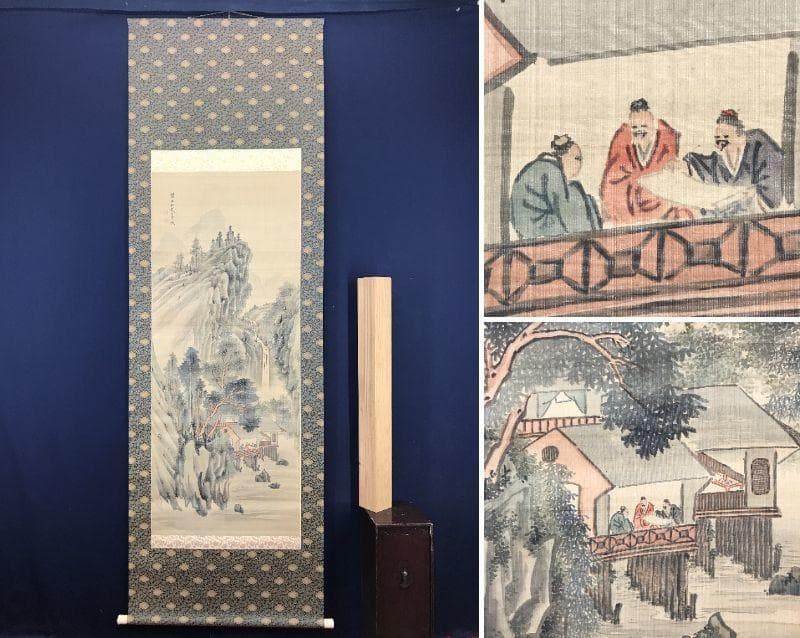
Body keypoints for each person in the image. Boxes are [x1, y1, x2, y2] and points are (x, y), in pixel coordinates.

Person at [600, 98, 695, 225]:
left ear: (653, 125)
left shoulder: (667, 139)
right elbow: (612, 180)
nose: (639, 131)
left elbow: (670, 178)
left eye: (643, 126)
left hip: (660, 199)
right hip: (631, 203)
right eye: (634, 127)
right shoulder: (622, 139)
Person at [684, 109, 784, 210]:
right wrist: (688, 164)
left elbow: (773, 192)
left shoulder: (761, 148)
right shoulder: (724, 156)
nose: (720, 144)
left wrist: (749, 196)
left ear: (740, 136)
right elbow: (711, 167)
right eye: (717, 138)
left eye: (725, 136)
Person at [510, 134, 601, 239]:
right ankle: (593, 237)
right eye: (577, 158)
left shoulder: (540, 166)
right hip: (538, 227)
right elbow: (565, 211)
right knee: (577, 192)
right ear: (563, 156)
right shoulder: (552, 171)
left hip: (527, 227)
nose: (579, 165)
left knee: (584, 197)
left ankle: (594, 235)